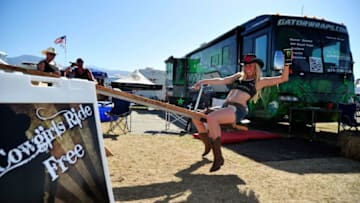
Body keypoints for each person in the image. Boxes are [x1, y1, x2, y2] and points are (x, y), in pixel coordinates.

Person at [192, 53, 290, 172]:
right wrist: (202, 81)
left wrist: (287, 62)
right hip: (225, 107)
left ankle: (218, 158)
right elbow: (222, 80)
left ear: (256, 67)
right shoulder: (238, 77)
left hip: (237, 110)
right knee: (196, 117)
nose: (247, 67)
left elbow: (283, 78)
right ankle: (207, 145)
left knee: (212, 118)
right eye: (246, 65)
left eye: (251, 65)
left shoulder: (259, 81)